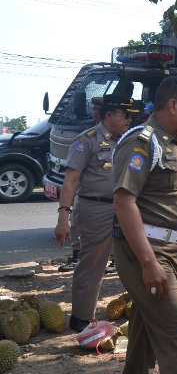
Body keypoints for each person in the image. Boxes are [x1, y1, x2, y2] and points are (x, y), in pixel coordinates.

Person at [111, 76, 177, 374]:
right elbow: (124, 201)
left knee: (144, 334)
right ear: (173, 105)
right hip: (145, 254)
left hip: (168, 251)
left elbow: (167, 203)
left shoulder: (174, 142)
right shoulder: (143, 142)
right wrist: (149, 261)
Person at [53, 95, 135, 331]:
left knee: (136, 258)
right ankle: (81, 319)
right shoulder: (87, 140)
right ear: (109, 115)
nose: (130, 119)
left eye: (130, 115)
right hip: (96, 209)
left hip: (125, 208)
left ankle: (140, 311)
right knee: (91, 264)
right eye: (124, 114)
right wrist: (63, 218)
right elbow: (71, 181)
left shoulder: (128, 141)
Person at [58, 96, 108, 273]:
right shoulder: (88, 137)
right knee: (77, 224)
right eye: (93, 109)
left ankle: (115, 261)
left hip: (111, 201)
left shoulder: (123, 139)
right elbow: (71, 178)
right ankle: (77, 257)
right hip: (87, 195)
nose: (95, 112)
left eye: (98, 109)